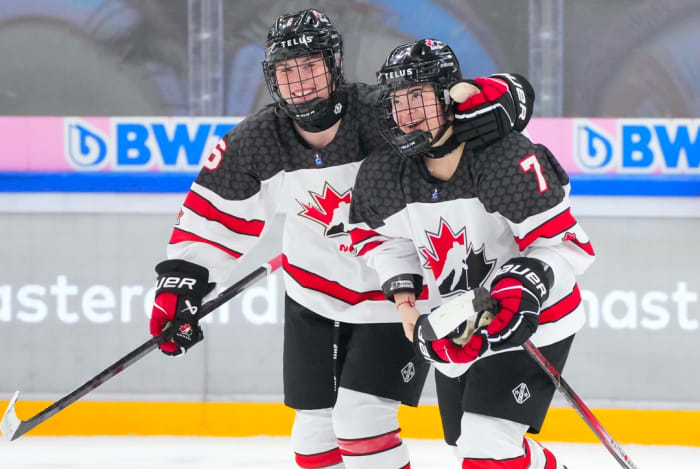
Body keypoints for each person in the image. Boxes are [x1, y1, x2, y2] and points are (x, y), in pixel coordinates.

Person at [148, 8, 533, 469]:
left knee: (362, 421)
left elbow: (465, 111)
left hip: (397, 301)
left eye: (310, 65)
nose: (301, 80)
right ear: (273, 79)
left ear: (333, 66)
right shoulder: (257, 142)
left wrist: (496, 96)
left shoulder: (384, 117)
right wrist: (182, 285)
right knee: (313, 438)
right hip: (312, 297)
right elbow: (213, 219)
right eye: (287, 70)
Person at [348, 39, 595, 468]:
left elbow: (569, 246)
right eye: (398, 99)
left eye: (418, 96)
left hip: (537, 321)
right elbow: (379, 240)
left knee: (487, 447)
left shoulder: (501, 157)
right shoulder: (384, 171)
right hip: (460, 324)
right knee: (469, 443)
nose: (406, 113)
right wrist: (406, 302)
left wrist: (527, 282)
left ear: (449, 96)